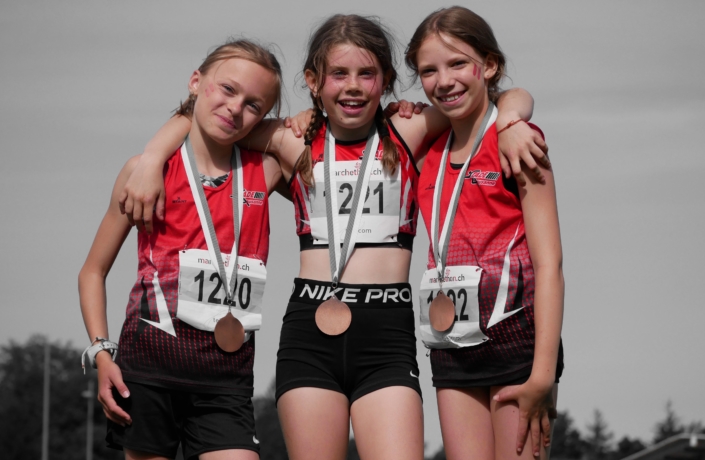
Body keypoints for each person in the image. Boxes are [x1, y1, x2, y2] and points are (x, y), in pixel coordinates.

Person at [118, 14, 547, 460]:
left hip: (387, 335)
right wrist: (152, 157)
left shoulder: (409, 130)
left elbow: (496, 97)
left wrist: (512, 118)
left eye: (367, 74)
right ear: (313, 81)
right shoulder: (292, 140)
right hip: (310, 331)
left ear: (387, 80)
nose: (353, 86)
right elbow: (205, 116)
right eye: (338, 74)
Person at [78, 39, 285, 460]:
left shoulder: (267, 170)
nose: (235, 108)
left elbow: (315, 127)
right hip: (147, 371)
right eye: (227, 89)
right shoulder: (143, 173)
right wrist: (101, 353)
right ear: (196, 81)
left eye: (253, 104)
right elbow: (92, 272)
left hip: (227, 381)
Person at [406, 7, 564, 459]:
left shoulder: (518, 141)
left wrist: (542, 375)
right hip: (452, 348)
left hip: (519, 348)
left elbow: (550, 263)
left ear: (489, 65)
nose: (444, 81)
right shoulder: (427, 152)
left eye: (458, 64)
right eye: (428, 71)